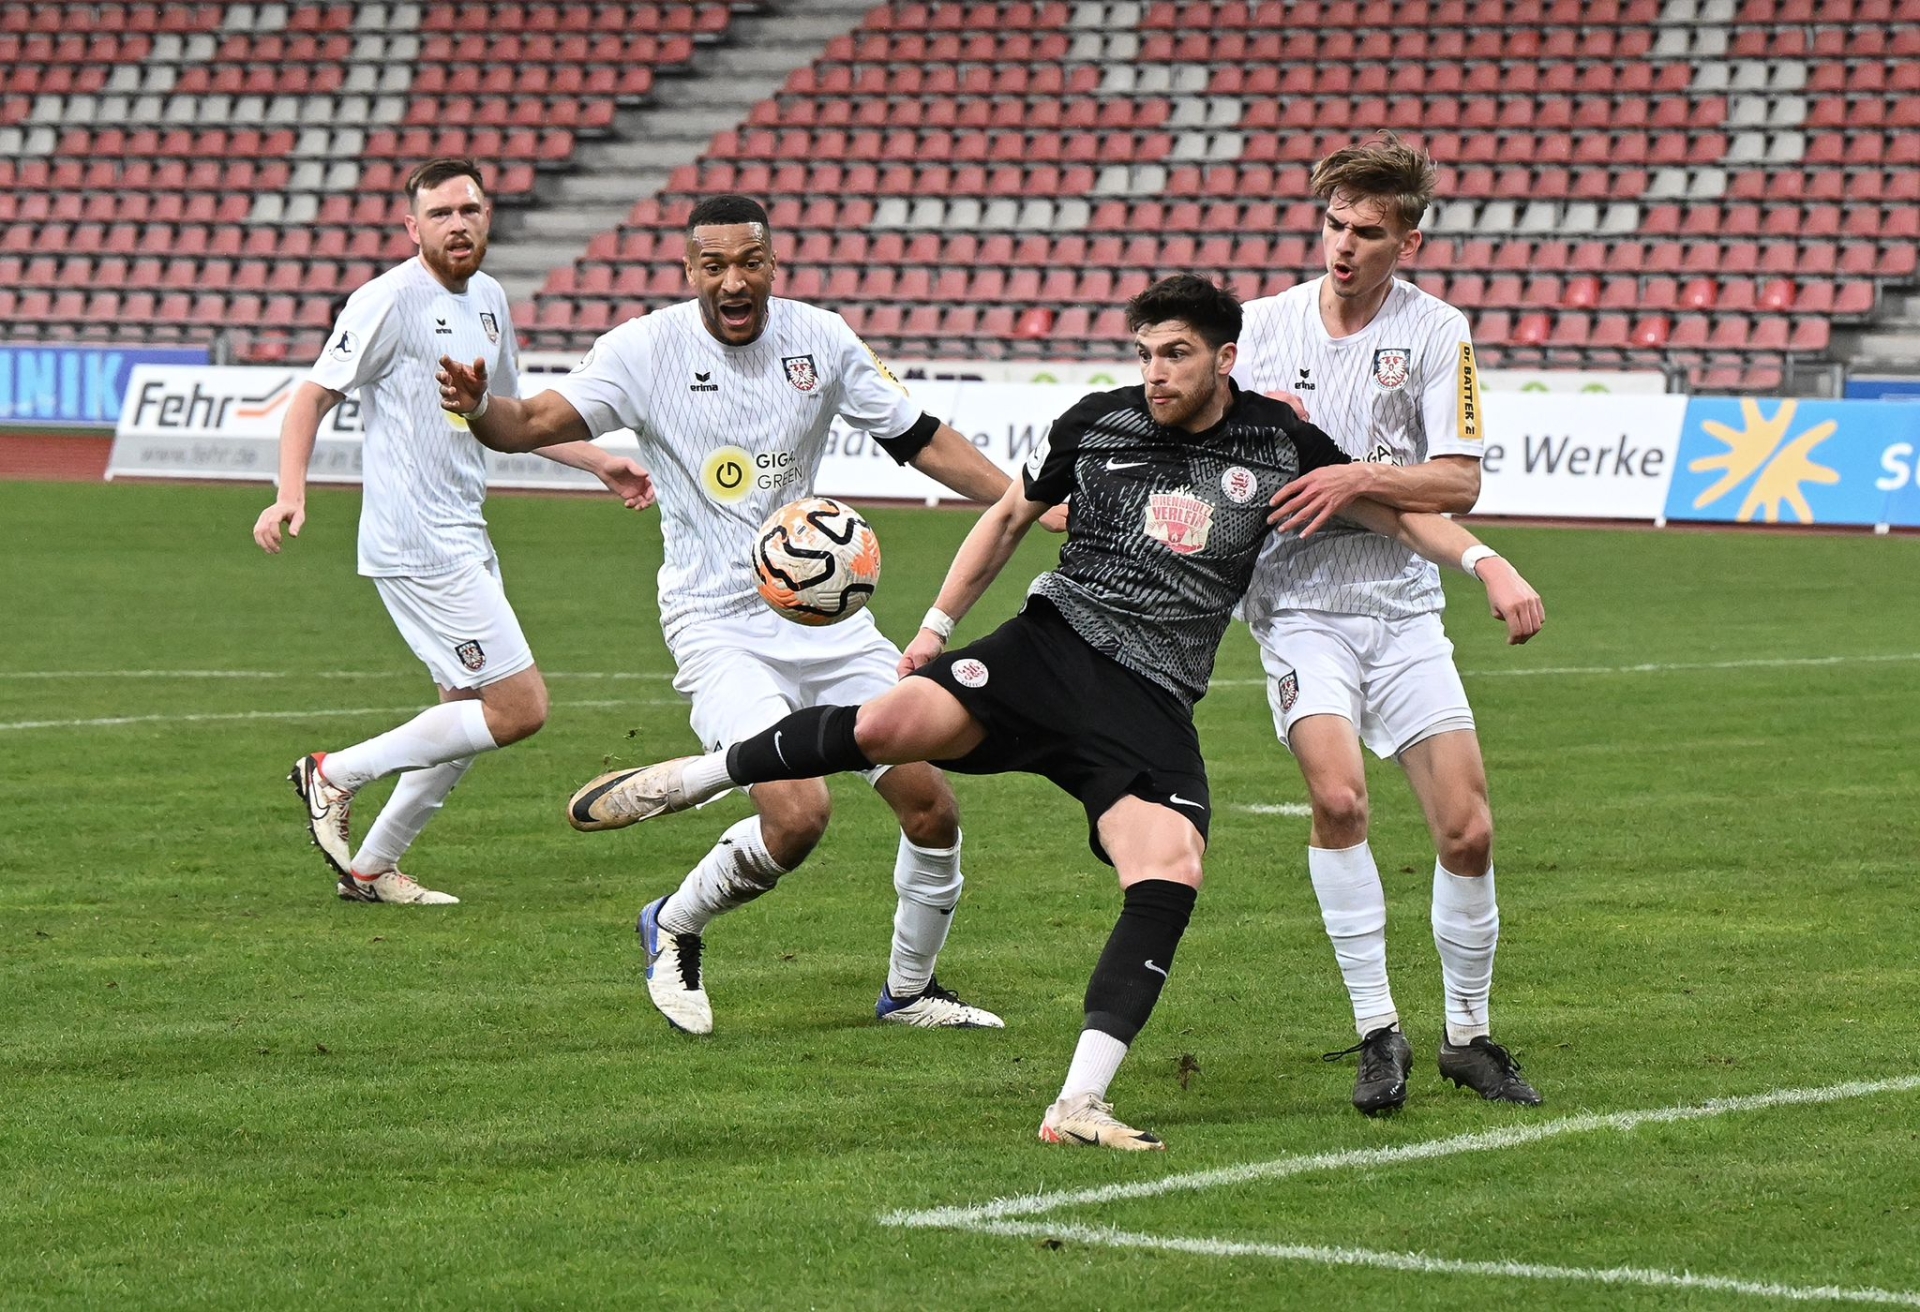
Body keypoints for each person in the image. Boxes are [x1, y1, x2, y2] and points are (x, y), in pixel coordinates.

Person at [560, 275, 1544, 1150]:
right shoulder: (1097, 422)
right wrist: (939, 626)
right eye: (1146, 353)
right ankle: (695, 779)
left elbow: (1398, 510)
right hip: (1049, 650)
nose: (1156, 372)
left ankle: (1078, 1100)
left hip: (1153, 701)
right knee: (890, 724)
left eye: (1177, 354)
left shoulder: (1278, 440)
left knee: (1170, 868)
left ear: (1225, 358)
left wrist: (1485, 561)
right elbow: (1008, 518)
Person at [435, 194, 1034, 1034]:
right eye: (713, 265)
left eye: (748, 261)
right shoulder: (645, 350)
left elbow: (921, 437)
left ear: (772, 264)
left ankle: (909, 991)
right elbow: (528, 423)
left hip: (825, 618)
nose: (733, 280)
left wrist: (1024, 501)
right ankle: (674, 923)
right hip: (716, 622)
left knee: (931, 807)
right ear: (690, 273)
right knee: (799, 814)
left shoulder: (820, 339)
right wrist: (478, 408)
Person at [1235, 131, 1544, 1114]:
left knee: (1468, 828)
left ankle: (1466, 1035)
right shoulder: (1262, 327)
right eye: (1334, 225)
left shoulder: (1440, 333)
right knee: (1340, 803)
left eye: (1368, 231)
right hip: (1298, 611)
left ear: (1406, 238)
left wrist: (1361, 473)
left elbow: (1459, 477)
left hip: (1404, 612)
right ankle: (1378, 1032)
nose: (1344, 246)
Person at [253, 157, 656, 905]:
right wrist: (290, 493)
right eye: (440, 214)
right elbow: (310, 397)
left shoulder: (492, 299)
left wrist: (598, 460)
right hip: (417, 540)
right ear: (413, 228)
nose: (458, 224)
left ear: (488, 215)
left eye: (469, 209)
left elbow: (510, 416)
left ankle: (372, 869)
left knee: (467, 715)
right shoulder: (387, 300)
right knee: (518, 708)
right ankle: (333, 773)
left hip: (461, 529)